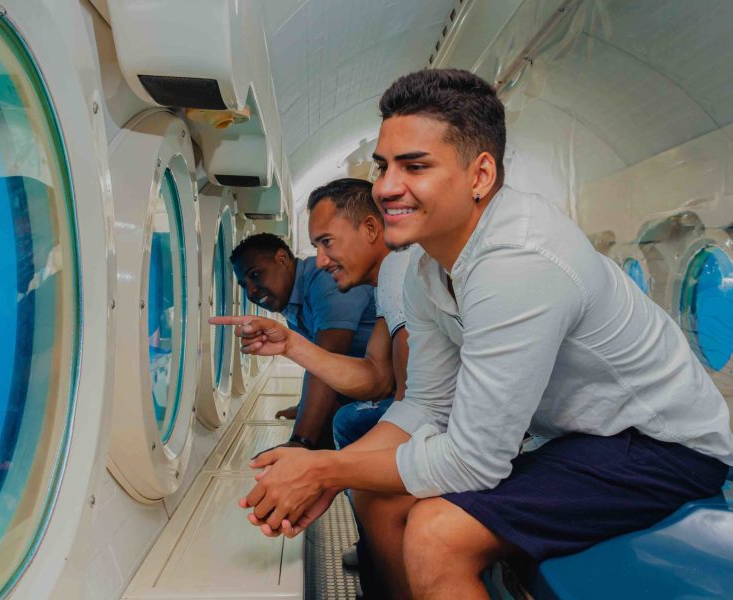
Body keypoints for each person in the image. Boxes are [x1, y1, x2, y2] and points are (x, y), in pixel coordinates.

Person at [227, 68, 733, 600]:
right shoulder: (426, 266)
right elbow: (428, 402)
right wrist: (335, 469)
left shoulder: (519, 263)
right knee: (380, 497)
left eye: (414, 166)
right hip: (584, 438)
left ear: (480, 175)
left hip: (663, 448)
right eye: (383, 166)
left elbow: (474, 460)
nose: (385, 188)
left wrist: (325, 467)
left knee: (436, 535)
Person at [216, 178, 411, 595]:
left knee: (350, 432)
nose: (320, 260)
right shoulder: (388, 284)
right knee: (348, 425)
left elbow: (411, 401)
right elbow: (375, 376)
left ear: (372, 229)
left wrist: (313, 454)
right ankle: (378, 561)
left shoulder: (403, 274)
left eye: (326, 242)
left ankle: (383, 561)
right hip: (409, 406)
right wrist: (291, 347)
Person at [229, 232, 376, 449]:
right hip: (361, 380)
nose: (251, 290)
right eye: (244, 285)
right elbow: (316, 361)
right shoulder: (292, 303)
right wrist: (303, 407)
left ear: (282, 258)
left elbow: (327, 359)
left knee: (332, 423)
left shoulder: (325, 280)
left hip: (395, 383)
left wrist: (300, 441)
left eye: (256, 275)